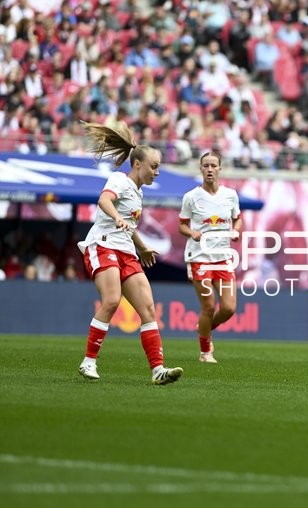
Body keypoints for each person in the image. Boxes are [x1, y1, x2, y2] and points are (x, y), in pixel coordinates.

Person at [77, 121, 183, 385]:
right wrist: (118, 219)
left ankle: (158, 370)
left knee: (148, 308)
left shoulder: (138, 193)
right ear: (138, 164)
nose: (156, 172)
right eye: (154, 166)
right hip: (102, 244)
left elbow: (129, 225)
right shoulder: (119, 180)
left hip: (126, 251)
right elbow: (104, 201)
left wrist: (142, 246)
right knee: (112, 300)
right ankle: (88, 361)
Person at [179, 152, 243, 363]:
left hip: (223, 257)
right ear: (200, 169)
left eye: (213, 165)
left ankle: (204, 328)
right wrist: (192, 233)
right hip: (200, 257)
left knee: (229, 308)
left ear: (219, 169)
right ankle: (205, 352)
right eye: (205, 165)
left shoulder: (230, 195)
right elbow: (182, 225)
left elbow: (238, 219)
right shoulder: (191, 197)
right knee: (208, 306)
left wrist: (236, 231)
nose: (209, 169)